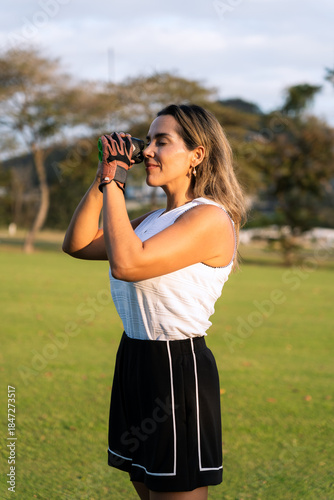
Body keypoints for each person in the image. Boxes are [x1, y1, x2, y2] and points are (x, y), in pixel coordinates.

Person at [62, 103, 246, 500]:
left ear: (197, 155)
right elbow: (76, 244)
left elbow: (127, 264)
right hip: (134, 358)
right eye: (149, 141)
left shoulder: (210, 218)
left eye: (162, 142)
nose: (146, 151)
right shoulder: (151, 220)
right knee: (146, 490)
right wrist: (103, 175)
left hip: (175, 368)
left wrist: (117, 182)